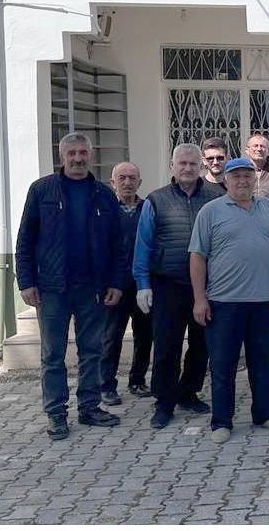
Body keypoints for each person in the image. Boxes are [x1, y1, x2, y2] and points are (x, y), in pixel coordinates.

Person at [15, 132, 125, 441]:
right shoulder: (42, 191)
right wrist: (26, 281)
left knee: (91, 350)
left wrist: (116, 281)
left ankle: (89, 407)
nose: (77, 158)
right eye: (71, 153)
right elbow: (25, 240)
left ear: (90, 155)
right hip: (52, 288)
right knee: (53, 354)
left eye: (82, 153)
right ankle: (56, 413)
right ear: (61, 156)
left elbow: (118, 244)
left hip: (92, 288)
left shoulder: (103, 194)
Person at [188, 157, 269, 443]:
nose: (243, 181)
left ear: (254, 178)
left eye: (247, 175)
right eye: (236, 177)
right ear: (227, 181)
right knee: (223, 363)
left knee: (264, 361)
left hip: (264, 300)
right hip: (224, 302)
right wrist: (199, 299)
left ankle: (264, 413)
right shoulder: (211, 212)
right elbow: (197, 256)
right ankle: (222, 420)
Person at [134, 143, 224, 429]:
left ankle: (189, 392)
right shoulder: (155, 200)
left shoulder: (216, 197)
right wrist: (142, 284)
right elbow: (144, 245)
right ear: (172, 166)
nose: (187, 168)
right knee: (166, 347)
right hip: (167, 285)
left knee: (201, 345)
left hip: (207, 286)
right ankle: (164, 402)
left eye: (192, 163)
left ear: (201, 166)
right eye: (181, 163)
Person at [99, 162, 153, 405]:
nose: (127, 182)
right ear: (113, 182)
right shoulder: (104, 211)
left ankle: (138, 380)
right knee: (111, 337)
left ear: (140, 182)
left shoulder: (149, 208)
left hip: (142, 284)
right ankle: (106, 385)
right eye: (122, 178)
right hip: (114, 287)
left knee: (144, 335)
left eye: (132, 178)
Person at [244, 132, 269, 197]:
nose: (259, 149)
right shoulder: (241, 171)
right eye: (255, 146)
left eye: (262, 146)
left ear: (268, 151)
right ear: (247, 150)